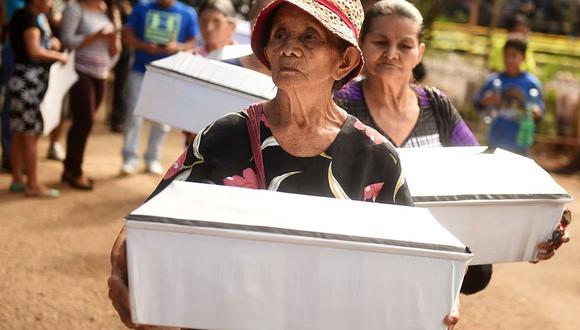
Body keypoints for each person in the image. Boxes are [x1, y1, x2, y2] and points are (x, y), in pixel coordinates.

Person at [108, 0, 464, 328]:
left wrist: (437, 301)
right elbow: (148, 219)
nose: (289, 48)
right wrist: (126, 271)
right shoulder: (223, 135)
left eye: (310, 37)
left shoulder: (374, 156)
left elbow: (416, 255)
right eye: (280, 35)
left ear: (343, 60)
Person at [334, 0, 488, 295]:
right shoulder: (340, 104)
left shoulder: (436, 105)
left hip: (430, 259)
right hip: (359, 260)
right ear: (361, 45)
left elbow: (477, 168)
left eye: (405, 45)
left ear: (420, 52)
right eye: (380, 42)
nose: (391, 54)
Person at [120, 0, 199, 175]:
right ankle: (129, 158)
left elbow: (193, 41)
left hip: (171, 75)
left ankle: (152, 158)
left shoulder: (187, 13)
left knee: (163, 120)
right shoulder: (142, 7)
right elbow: (127, 35)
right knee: (134, 115)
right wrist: (144, 46)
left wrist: (176, 47)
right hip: (141, 70)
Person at [8, 0, 68, 197]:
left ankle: (18, 179)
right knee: (31, 133)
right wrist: (59, 56)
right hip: (30, 81)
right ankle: (32, 183)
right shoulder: (30, 18)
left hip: (20, 78)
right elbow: (34, 51)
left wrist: (51, 43)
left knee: (19, 131)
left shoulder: (22, 14)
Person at [60, 0, 121, 190]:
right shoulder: (75, 8)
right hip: (80, 70)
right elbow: (67, 41)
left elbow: (116, 50)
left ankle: (70, 169)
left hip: (101, 73)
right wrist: (94, 36)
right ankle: (76, 172)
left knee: (82, 122)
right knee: (85, 119)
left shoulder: (110, 11)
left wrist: (113, 41)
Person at [475, 37, 544, 156]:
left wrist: (534, 112)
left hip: (520, 147)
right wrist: (485, 101)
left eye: (514, 55)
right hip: (494, 144)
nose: (509, 59)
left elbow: (539, 115)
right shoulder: (494, 80)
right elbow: (477, 105)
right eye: (506, 55)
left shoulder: (531, 83)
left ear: (523, 57)